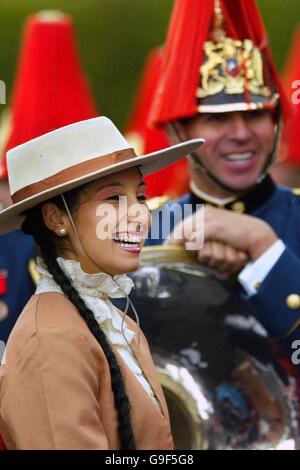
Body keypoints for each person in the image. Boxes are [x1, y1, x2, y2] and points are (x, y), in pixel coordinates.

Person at [0, 116, 202, 449]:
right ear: (56, 218)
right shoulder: (52, 339)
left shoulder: (118, 322)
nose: (138, 214)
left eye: (140, 196)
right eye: (112, 199)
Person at [147, 0, 300, 364]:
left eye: (256, 115)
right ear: (176, 132)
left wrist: (262, 246)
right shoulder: (146, 231)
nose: (241, 134)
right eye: (218, 120)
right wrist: (173, 268)